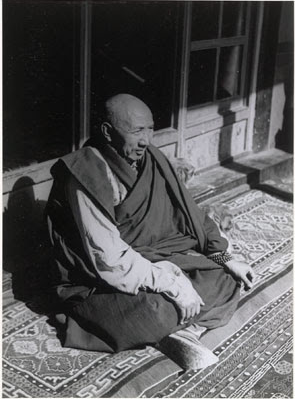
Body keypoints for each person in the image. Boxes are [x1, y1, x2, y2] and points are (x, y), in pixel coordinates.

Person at [45, 94, 255, 353]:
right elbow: (107, 258)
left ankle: (181, 324)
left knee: (224, 276)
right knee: (153, 310)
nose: (146, 140)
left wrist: (223, 256)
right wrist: (173, 285)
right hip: (100, 276)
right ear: (107, 132)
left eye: (150, 129)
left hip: (153, 256)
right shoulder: (87, 172)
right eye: (136, 131)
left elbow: (190, 212)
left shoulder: (151, 158)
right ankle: (180, 323)